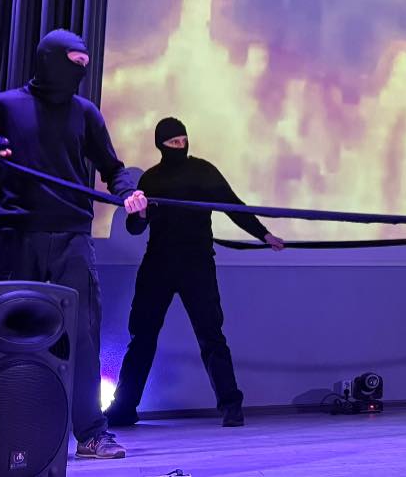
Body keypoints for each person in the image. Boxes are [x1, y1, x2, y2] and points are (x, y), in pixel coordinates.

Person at [0, 29, 144, 459]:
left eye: (84, 67)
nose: (78, 73)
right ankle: (1, 432)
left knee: (83, 336)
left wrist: (129, 191)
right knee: (8, 332)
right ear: (49, 59)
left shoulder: (85, 113)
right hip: (15, 238)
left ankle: (91, 434)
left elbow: (113, 168)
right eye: (72, 64)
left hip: (73, 239)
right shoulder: (4, 106)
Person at [105, 117, 285, 428]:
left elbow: (233, 206)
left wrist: (264, 235)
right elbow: (135, 227)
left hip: (197, 264)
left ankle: (231, 406)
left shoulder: (203, 171)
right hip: (158, 265)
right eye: (172, 142)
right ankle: (123, 408)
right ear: (160, 145)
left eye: (182, 140)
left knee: (211, 335)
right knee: (142, 336)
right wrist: (140, 213)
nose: (179, 146)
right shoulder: (150, 179)